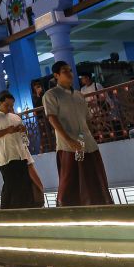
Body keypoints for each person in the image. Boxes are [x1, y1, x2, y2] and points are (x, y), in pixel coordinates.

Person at [43, 61, 113, 206]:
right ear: (56, 75)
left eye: (70, 70)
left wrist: (87, 137)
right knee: (71, 178)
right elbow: (52, 118)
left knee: (93, 176)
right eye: (65, 71)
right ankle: (67, 210)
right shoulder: (51, 95)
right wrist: (69, 140)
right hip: (68, 145)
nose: (69, 73)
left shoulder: (79, 95)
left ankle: (98, 206)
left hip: (86, 143)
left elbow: (87, 120)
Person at [0, 91, 42, 209]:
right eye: (7, 105)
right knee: (11, 185)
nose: (10, 108)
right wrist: (6, 131)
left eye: (12, 105)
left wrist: (23, 130)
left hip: (21, 155)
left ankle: (26, 210)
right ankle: (8, 211)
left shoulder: (15, 117)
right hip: (6, 158)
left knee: (24, 184)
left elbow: (24, 137)